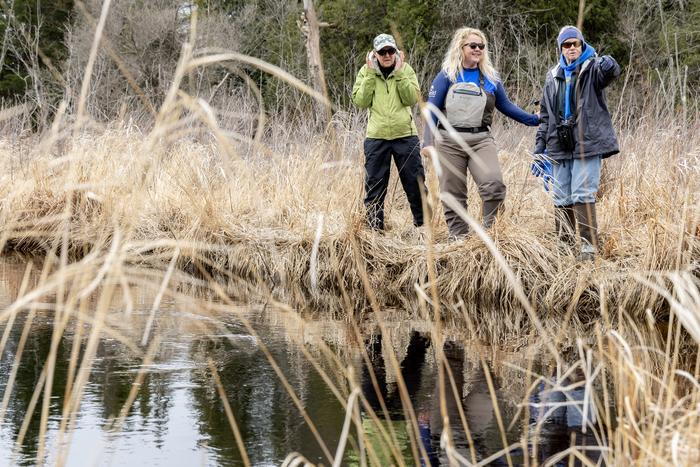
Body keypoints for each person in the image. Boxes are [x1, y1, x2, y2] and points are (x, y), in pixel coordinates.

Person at [422, 27, 540, 239]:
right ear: (461, 48)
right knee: (452, 193)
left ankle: (491, 235)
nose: (478, 49)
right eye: (473, 46)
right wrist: (427, 142)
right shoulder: (447, 75)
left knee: (493, 184)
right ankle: (458, 239)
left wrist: (534, 119)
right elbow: (431, 110)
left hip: (480, 140)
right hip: (449, 142)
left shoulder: (490, 78)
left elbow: (506, 106)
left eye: (481, 46)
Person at [533, 26, 620, 261]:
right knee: (561, 196)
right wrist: (539, 148)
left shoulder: (593, 67)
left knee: (583, 194)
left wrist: (606, 62)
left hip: (587, 143)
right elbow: (545, 115)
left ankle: (588, 251)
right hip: (559, 145)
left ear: (582, 45)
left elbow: (611, 72)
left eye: (576, 44)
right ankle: (563, 250)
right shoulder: (552, 75)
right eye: (566, 45)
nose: (572, 48)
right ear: (560, 48)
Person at [352, 33, 428, 234]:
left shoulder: (406, 70)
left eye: (390, 51)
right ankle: (374, 232)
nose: (387, 55)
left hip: (405, 135)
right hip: (377, 138)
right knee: (375, 187)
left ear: (396, 52)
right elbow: (360, 101)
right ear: (374, 54)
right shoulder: (365, 72)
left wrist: (400, 72)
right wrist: (369, 74)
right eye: (382, 52)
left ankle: (423, 229)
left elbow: (411, 98)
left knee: (415, 184)